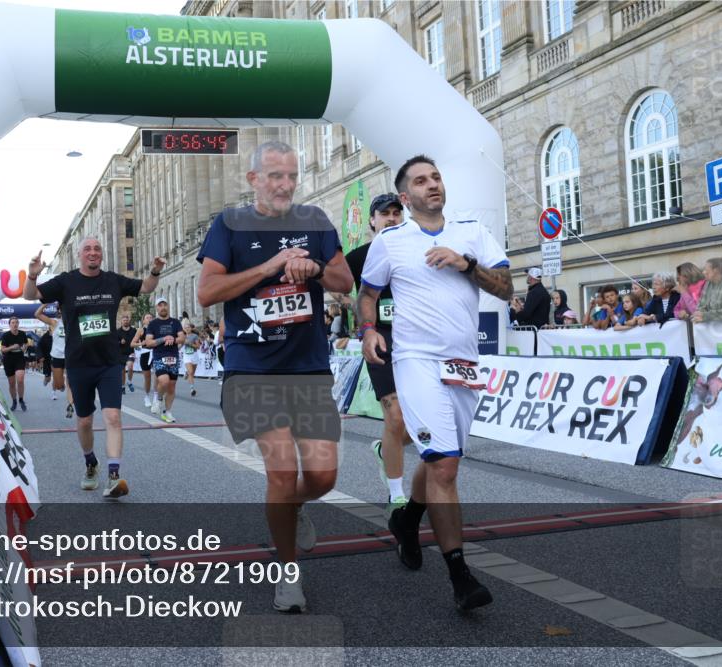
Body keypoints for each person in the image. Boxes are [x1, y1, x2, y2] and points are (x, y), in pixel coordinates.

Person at [197, 140, 354, 613]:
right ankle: (288, 575)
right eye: (274, 176)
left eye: (291, 175)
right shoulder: (229, 225)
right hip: (252, 369)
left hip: (307, 368)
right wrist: (270, 267)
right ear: (253, 180)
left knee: (323, 477)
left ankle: (296, 508)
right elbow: (206, 292)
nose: (285, 185)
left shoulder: (316, 222)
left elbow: (345, 283)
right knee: (282, 474)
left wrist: (314, 270)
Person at [358, 154, 512, 611]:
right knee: (445, 465)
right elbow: (367, 294)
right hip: (416, 360)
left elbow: (505, 288)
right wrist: (368, 331)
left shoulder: (472, 233)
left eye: (437, 177)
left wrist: (466, 265)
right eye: (421, 181)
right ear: (406, 198)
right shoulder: (390, 242)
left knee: (440, 457)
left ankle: (408, 520)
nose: (433, 185)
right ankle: (461, 576)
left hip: (463, 362)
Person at [24, 239, 164, 498]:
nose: (92, 253)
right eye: (87, 249)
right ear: (80, 255)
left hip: (110, 362)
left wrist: (155, 270)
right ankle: (91, 463)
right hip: (78, 363)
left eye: (97, 249)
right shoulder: (66, 281)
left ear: (101, 255)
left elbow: (145, 287)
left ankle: (114, 475)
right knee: (85, 420)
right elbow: (30, 295)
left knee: (112, 417)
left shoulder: (113, 281)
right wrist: (32, 275)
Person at [344, 193, 420, 512]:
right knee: (396, 416)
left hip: (416, 342)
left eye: (396, 213)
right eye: (384, 214)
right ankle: (396, 493)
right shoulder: (359, 256)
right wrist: (361, 316)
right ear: (372, 221)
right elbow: (336, 286)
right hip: (380, 340)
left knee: (421, 427)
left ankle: (384, 449)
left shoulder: (416, 251)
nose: (391, 218)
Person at [145, 297, 185, 423]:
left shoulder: (175, 322)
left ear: (167, 307)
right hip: (159, 356)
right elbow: (149, 342)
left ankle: (167, 412)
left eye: (164, 305)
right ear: (156, 308)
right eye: (160, 305)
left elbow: (182, 338)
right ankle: (158, 398)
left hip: (173, 356)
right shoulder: (153, 324)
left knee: (172, 387)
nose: (162, 307)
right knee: (164, 381)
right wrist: (163, 339)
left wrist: (172, 339)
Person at [35, 303, 73, 413]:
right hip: (56, 356)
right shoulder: (54, 322)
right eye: (61, 309)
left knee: (71, 382)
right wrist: (45, 303)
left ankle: (70, 406)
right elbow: (37, 314)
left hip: (70, 356)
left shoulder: (72, 321)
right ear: (59, 311)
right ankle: (59, 385)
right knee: (59, 385)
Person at [0, 317, 29, 410]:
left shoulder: (22, 334)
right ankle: (14, 401)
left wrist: (24, 348)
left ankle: (21, 399)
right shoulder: (6, 335)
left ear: (18, 324)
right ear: (9, 325)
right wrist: (11, 347)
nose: (15, 324)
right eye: (13, 323)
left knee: (20, 379)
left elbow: (26, 344)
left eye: (16, 322)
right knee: (12, 383)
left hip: (19, 358)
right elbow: (3, 350)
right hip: (8, 360)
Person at [132, 313, 157, 408]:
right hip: (145, 354)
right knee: (148, 378)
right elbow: (132, 344)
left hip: (156, 353)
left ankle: (155, 396)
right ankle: (146, 396)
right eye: (147, 318)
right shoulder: (141, 330)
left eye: (151, 317)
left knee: (157, 375)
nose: (150, 319)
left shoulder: (157, 328)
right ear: (143, 321)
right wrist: (141, 343)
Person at [116, 314, 137, 394]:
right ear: (121, 321)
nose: (125, 321)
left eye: (127, 320)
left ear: (129, 321)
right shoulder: (118, 331)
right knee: (122, 372)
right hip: (121, 354)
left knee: (130, 366)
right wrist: (119, 342)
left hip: (130, 352)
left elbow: (137, 339)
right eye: (124, 320)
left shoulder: (133, 330)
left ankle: (129, 381)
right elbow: (114, 343)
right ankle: (123, 386)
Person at [181, 320, 201, 396]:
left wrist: (189, 343)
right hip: (187, 356)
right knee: (191, 372)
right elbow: (179, 346)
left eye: (188, 327)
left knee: (192, 373)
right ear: (184, 329)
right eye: (185, 328)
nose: (187, 329)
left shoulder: (194, 336)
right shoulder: (183, 337)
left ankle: (187, 373)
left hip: (194, 355)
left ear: (191, 328)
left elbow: (198, 347)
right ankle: (192, 389)